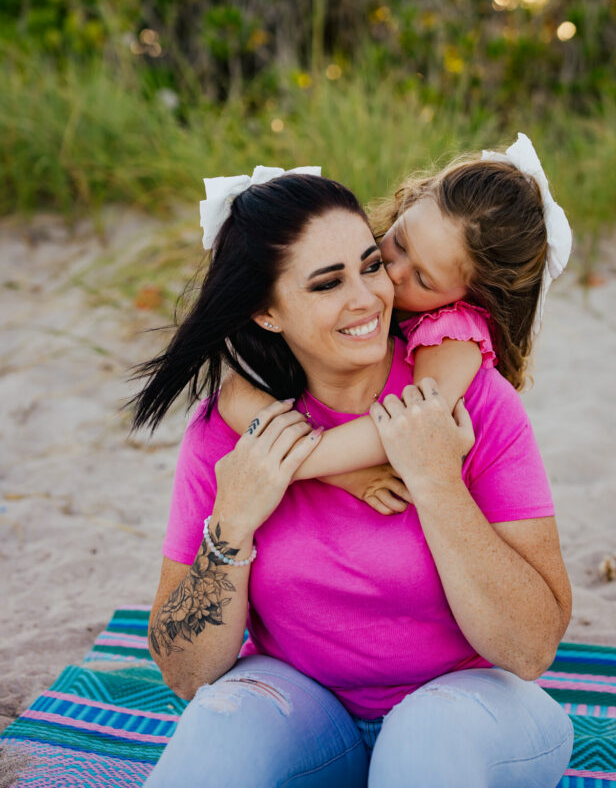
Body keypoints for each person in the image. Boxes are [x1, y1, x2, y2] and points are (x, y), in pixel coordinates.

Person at [133, 169, 573, 787]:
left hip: (472, 706)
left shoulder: (467, 400)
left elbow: (532, 648)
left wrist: (438, 483)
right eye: (327, 283)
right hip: (308, 707)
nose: (371, 295)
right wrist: (230, 523)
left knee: (422, 745)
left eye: (369, 266)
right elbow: (184, 674)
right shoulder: (228, 430)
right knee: (218, 733)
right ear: (266, 310)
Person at [213, 134, 572, 515]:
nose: (392, 272)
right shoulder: (352, 260)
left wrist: (282, 468)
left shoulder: (454, 333)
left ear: (475, 296)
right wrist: (346, 476)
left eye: (423, 279)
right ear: (408, 202)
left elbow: (412, 425)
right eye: (398, 243)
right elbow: (234, 396)